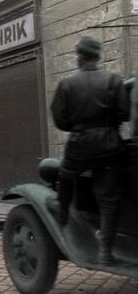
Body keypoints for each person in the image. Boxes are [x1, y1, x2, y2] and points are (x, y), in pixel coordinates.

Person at [47, 36, 129, 265]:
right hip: (110, 144)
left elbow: (60, 119)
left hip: (80, 143)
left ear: (80, 57)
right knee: (109, 199)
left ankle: (62, 210)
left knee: (65, 173)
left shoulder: (67, 84)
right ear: (97, 56)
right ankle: (105, 252)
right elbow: (125, 113)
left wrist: (78, 126)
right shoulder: (113, 80)